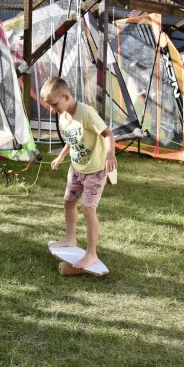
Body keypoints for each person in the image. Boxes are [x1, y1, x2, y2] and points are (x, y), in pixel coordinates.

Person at [40, 77, 117, 269]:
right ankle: (70, 238)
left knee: (88, 210)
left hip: (95, 171)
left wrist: (110, 155)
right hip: (76, 168)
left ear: (65, 96)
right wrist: (61, 157)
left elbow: (108, 134)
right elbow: (71, 139)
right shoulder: (63, 116)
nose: (52, 109)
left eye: (54, 104)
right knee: (69, 202)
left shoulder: (86, 113)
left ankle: (91, 254)